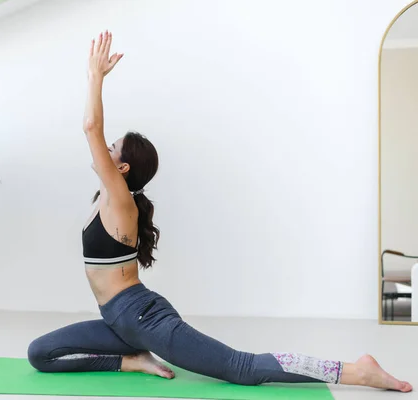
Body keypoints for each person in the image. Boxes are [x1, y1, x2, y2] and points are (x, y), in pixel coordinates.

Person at [27, 31, 412, 393]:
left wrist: (95, 76)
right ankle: (132, 361)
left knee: (240, 368)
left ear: (122, 170)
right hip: (120, 321)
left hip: (143, 318)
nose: (104, 152)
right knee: (39, 353)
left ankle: (357, 369)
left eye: (112, 150)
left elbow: (91, 126)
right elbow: (96, 136)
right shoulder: (106, 197)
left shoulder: (120, 199)